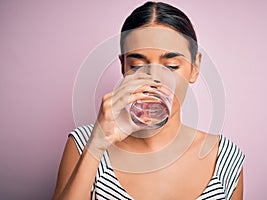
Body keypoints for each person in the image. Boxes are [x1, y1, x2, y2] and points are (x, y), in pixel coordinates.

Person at [52, 2, 245, 200]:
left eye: (170, 66)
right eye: (136, 66)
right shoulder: (84, 143)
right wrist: (97, 144)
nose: (154, 79)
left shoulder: (224, 159)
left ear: (195, 67)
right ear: (123, 66)